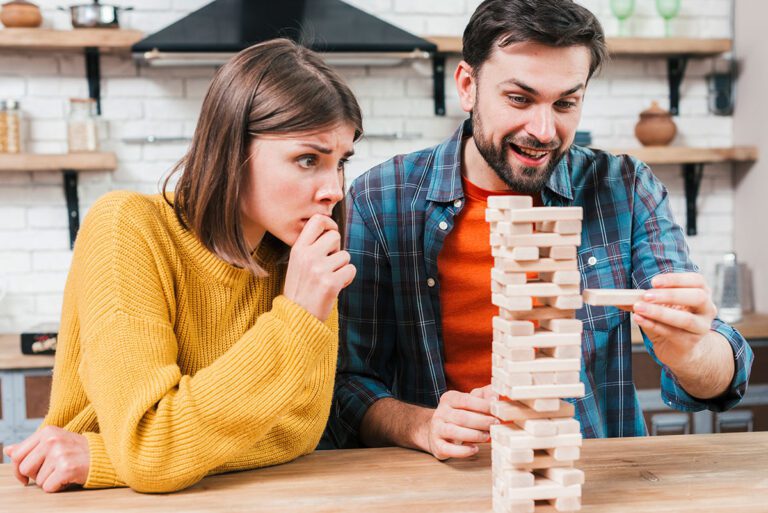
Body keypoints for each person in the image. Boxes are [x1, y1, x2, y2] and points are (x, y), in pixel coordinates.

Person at [323, 0, 753, 458]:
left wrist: (692, 354)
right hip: (440, 480)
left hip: (586, 480)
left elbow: (721, 375)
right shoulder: (381, 198)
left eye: (566, 103)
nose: (544, 130)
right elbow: (348, 382)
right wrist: (422, 424)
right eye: (519, 99)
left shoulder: (626, 189)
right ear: (468, 86)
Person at [3, 38, 361, 493]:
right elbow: (152, 450)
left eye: (341, 162)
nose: (333, 188)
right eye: (307, 159)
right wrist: (294, 318)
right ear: (234, 150)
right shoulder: (128, 228)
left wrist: (109, 455)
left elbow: (295, 432)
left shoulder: (301, 263)